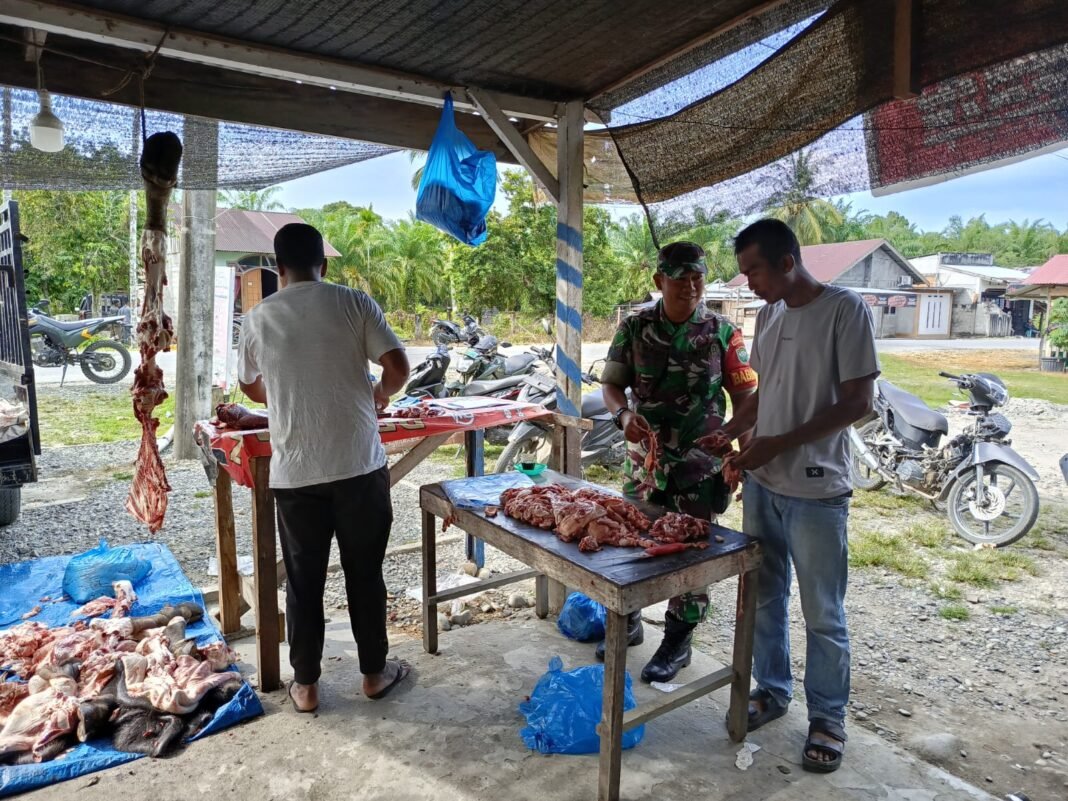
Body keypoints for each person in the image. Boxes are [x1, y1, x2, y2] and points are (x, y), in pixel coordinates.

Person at [716, 218, 879, 774]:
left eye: (754, 270)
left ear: (787, 262)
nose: (749, 283)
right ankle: (774, 689)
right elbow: (766, 393)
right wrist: (734, 432)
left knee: (822, 612)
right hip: (764, 484)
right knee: (764, 596)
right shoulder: (767, 315)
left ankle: (828, 718)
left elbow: (858, 401)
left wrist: (777, 444)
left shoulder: (844, 310)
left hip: (816, 490)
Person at [237, 223, 412, 713]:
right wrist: (377, 395)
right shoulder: (354, 302)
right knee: (365, 573)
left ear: (277, 269)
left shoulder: (257, 319)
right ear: (325, 265)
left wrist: (292, 388)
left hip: (295, 473)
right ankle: (374, 675)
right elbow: (398, 368)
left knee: (303, 579)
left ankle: (307, 687)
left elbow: (250, 387)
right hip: (358, 464)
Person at [599, 241, 757, 682]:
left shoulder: (723, 333)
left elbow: (745, 399)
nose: (691, 286)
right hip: (643, 463)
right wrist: (622, 414)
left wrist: (744, 456)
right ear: (659, 281)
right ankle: (627, 621)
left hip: (698, 466)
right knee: (629, 539)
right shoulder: (634, 329)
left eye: (698, 278)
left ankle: (678, 639)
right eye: (681, 277)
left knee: (692, 554)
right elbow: (612, 387)